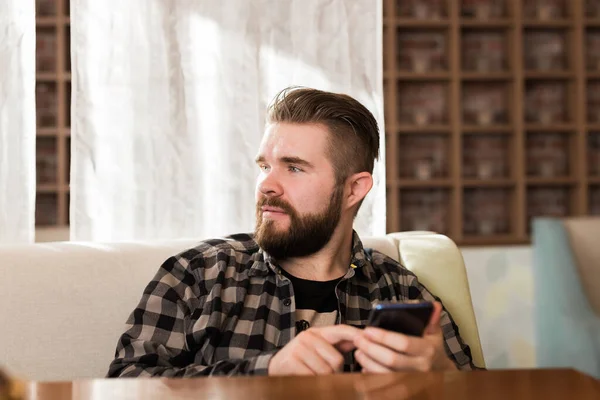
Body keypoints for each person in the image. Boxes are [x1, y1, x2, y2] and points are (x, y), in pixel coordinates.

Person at [108, 87, 477, 377]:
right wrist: (268, 372)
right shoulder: (199, 275)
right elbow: (125, 385)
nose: (266, 184)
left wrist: (444, 377)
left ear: (354, 189)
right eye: (264, 165)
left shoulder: (402, 291)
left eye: (294, 168)